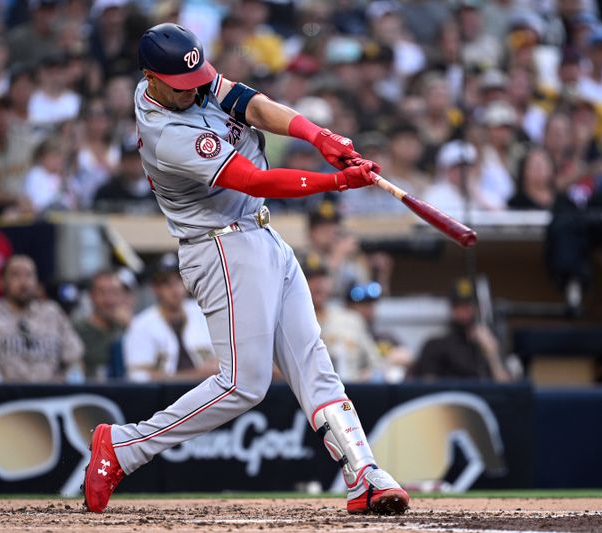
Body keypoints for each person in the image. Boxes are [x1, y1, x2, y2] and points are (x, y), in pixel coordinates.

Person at [82, 23, 409, 516]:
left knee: (312, 361)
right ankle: (124, 447)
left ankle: (363, 473)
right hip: (220, 247)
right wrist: (337, 182)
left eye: (198, 79)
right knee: (243, 384)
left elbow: (250, 104)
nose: (195, 90)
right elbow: (256, 180)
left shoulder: (184, 79)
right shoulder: (166, 132)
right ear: (152, 78)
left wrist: (319, 136)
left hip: (259, 234)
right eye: (182, 85)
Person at [123, 255, 217, 383]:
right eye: (166, 283)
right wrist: (196, 375)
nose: (175, 289)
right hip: (164, 397)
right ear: (155, 289)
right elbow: (137, 376)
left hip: (209, 391)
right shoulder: (141, 324)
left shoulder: (204, 311)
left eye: (179, 280)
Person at [0, 255, 84, 383]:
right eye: (15, 275)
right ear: (2, 282)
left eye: (29, 275)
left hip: (51, 396)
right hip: (8, 397)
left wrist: (74, 377)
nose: (24, 282)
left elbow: (74, 358)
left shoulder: (52, 312)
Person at [408, 277, 510, 382]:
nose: (465, 310)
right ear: (451, 308)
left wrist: (492, 354)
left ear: (477, 308)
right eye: (459, 305)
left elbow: (507, 390)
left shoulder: (488, 345)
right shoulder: (435, 346)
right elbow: (426, 388)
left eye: (469, 304)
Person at [303, 253, 383, 383]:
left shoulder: (351, 320)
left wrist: (368, 375)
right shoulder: (288, 323)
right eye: (311, 278)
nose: (318, 284)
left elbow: (376, 365)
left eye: (323, 277)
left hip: (352, 393)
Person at [72, 270, 132, 381]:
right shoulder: (77, 329)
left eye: (114, 293)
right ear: (91, 296)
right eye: (102, 293)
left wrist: (132, 327)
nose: (109, 300)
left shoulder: (128, 327)